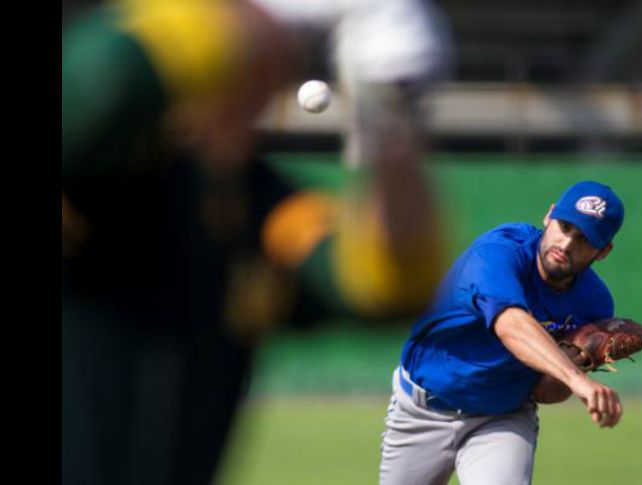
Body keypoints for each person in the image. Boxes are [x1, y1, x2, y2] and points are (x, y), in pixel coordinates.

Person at [62, 1, 450, 484]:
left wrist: (391, 124)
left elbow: (389, 280)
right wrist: (255, 22)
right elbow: (95, 81)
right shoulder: (105, 174)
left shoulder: (262, 205)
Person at [379, 180, 626, 485]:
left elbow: (544, 392)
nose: (567, 244)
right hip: (422, 410)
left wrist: (577, 361)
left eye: (585, 239)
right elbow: (510, 324)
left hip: (503, 418)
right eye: (565, 226)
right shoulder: (497, 253)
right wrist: (579, 380)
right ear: (549, 216)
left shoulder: (595, 304)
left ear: (603, 251)